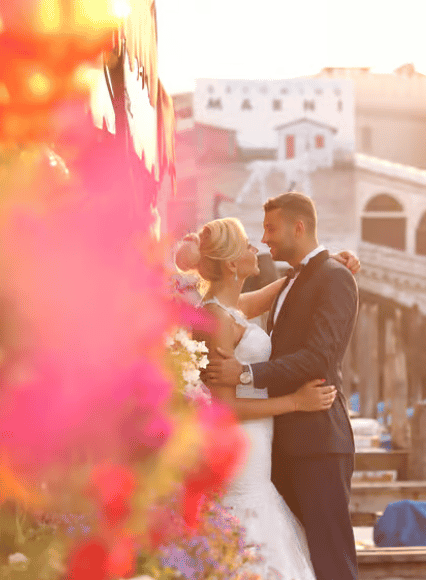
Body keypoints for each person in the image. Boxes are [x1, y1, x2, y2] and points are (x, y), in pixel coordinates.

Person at [174, 216, 358, 580]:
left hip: (260, 438)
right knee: (250, 515)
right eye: (246, 246)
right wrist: (295, 403)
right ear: (231, 264)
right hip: (242, 442)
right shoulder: (217, 319)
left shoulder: (229, 308)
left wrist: (325, 262)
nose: (255, 247)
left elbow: (282, 288)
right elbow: (224, 409)